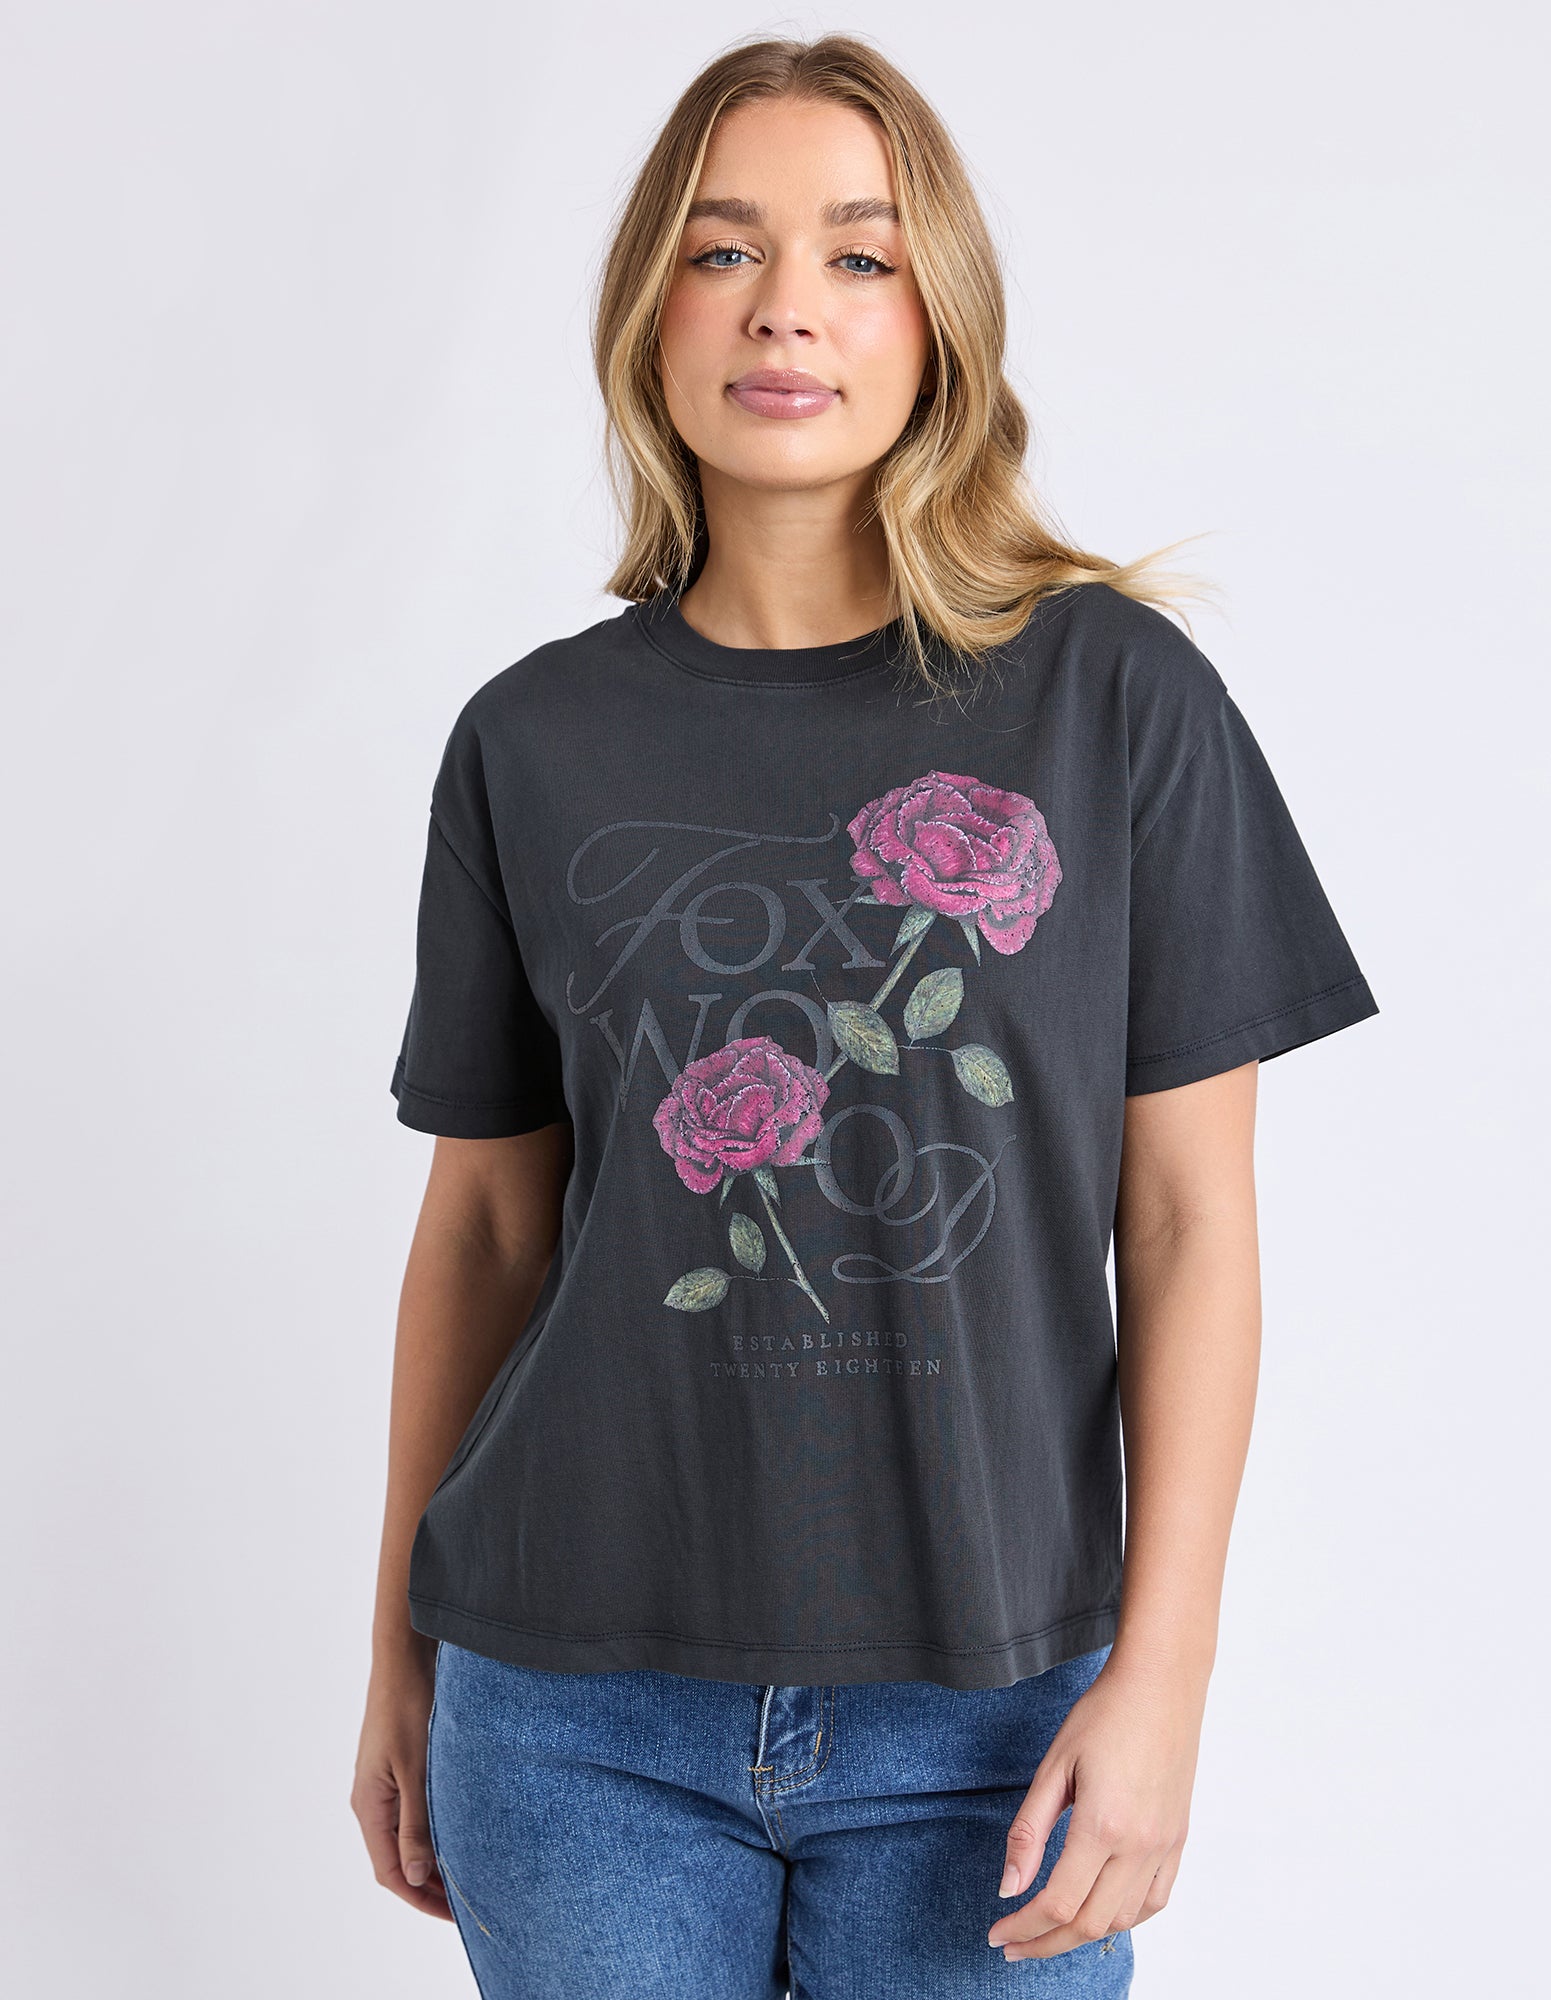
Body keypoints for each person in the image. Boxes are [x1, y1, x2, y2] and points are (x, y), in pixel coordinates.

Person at [351, 33, 1379, 1998]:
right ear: (651, 307)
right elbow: (482, 1227)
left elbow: (1187, 1223)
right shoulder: (530, 741)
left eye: (857, 254)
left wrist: (1163, 1679)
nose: (785, 308)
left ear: (938, 320)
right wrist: (398, 1650)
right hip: (570, 1715)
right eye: (724, 249)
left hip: (995, 1717)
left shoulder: (1112, 702)